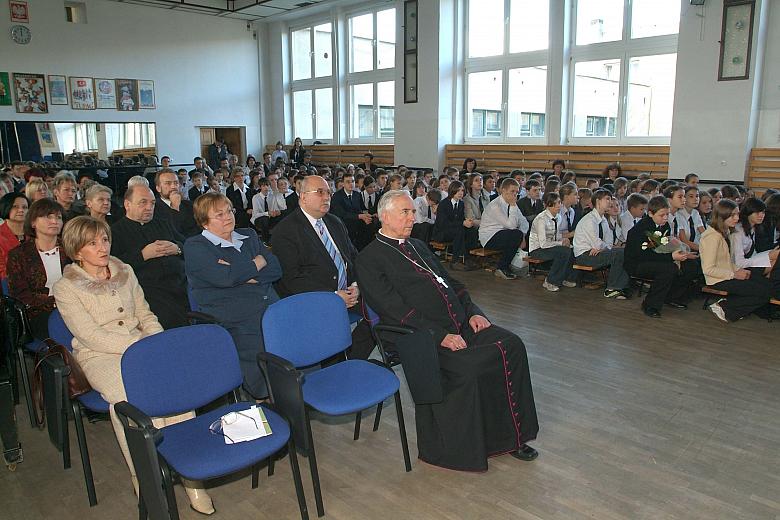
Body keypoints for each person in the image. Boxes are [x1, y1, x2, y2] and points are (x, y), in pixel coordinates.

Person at [355, 190, 539, 471]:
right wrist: (439, 335)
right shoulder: (369, 259)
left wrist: (475, 311)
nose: (412, 217)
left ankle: (512, 436)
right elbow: (396, 311)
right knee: (473, 366)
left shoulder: (417, 244)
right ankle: (476, 444)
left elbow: (452, 283)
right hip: (419, 337)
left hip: (461, 322)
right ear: (384, 216)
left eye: (412, 212)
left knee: (512, 345)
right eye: (405, 212)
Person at [52, 216, 214, 514]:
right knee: (127, 398)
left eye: (104, 239)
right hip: (99, 355)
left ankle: (191, 474)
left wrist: (156, 341)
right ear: (76, 251)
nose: (103, 247)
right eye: (92, 243)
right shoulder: (66, 287)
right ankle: (143, 474)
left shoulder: (124, 270)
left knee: (174, 383)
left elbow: (146, 313)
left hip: (141, 342)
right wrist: (140, 349)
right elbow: (89, 335)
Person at [184, 193, 281, 398]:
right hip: (235, 317)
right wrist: (257, 262)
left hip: (271, 307)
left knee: (300, 338)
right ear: (204, 222)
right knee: (267, 356)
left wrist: (241, 273)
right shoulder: (195, 246)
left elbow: (275, 269)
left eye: (229, 211)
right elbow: (225, 278)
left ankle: (297, 394)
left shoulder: (248, 235)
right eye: (219, 214)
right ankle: (269, 399)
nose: (227, 217)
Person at [270, 175, 375, 360]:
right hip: (315, 299)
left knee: (382, 307)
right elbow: (291, 279)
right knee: (332, 335)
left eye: (328, 192)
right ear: (303, 197)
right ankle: (334, 361)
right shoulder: (285, 231)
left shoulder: (334, 222)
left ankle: (354, 357)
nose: (327, 197)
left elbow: (353, 258)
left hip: (349, 293)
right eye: (320, 192)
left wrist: (357, 285)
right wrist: (333, 297)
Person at [111, 185, 189, 330]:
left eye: (152, 203)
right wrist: (143, 255)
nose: (149, 207)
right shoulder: (115, 232)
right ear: (127, 204)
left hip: (182, 283)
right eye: (143, 202)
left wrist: (177, 248)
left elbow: (188, 245)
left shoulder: (163, 223)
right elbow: (114, 266)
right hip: (149, 291)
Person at [624, 196, 700, 318]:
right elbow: (644, 254)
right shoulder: (641, 229)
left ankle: (671, 297)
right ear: (650, 214)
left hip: (656, 258)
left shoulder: (664, 226)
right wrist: (672, 257)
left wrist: (682, 253)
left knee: (691, 265)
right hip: (637, 263)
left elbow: (663, 245)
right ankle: (650, 305)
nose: (665, 218)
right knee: (668, 269)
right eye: (661, 215)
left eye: (667, 214)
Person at [700, 199, 773, 322]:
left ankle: (730, 306)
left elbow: (726, 261)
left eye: (737, 214)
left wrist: (739, 270)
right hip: (718, 279)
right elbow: (708, 269)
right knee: (763, 291)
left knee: (767, 285)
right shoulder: (712, 237)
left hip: (728, 274)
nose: (737, 218)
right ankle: (725, 307)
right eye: (733, 215)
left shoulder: (724, 232)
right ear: (723, 216)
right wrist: (734, 274)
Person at [7, 199, 69, 339]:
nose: (54, 221)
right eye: (48, 216)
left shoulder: (70, 250)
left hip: (72, 306)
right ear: (33, 222)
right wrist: (55, 302)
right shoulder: (18, 255)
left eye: (58, 217)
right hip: (38, 313)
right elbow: (20, 295)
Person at [573, 190, 631, 299]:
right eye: (607, 199)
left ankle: (622, 286)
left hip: (595, 252)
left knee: (623, 252)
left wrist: (603, 248)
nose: (610, 202)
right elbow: (597, 243)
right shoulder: (590, 220)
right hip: (584, 255)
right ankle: (611, 289)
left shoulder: (603, 219)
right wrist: (603, 248)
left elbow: (608, 242)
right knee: (618, 254)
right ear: (598, 201)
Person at [478, 178, 528, 280]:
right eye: (512, 191)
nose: (515, 195)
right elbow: (511, 226)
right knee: (515, 234)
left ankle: (519, 266)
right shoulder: (495, 205)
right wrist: (513, 205)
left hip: (503, 234)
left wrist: (523, 235)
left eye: (517, 192)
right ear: (504, 190)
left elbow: (524, 222)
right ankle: (502, 267)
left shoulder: (512, 203)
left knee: (522, 232)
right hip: (489, 238)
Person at [528, 192, 578, 291]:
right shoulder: (541, 219)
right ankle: (551, 281)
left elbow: (556, 235)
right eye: (555, 203)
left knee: (572, 249)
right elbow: (543, 244)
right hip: (537, 249)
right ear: (548, 205)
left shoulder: (558, 217)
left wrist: (564, 240)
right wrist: (560, 243)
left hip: (550, 246)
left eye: (559, 202)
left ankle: (567, 278)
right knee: (563, 252)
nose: (559, 206)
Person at [731, 197, 780, 295]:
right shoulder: (738, 232)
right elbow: (739, 262)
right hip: (739, 268)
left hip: (749, 263)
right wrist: (768, 256)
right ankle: (772, 288)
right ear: (748, 213)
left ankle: (771, 286)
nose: (761, 215)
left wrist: (769, 255)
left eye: (763, 212)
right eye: (757, 213)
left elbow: (754, 254)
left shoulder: (753, 228)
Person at [432, 180, 480, 271]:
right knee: (460, 231)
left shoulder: (461, 203)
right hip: (442, 232)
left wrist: (467, 222)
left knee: (471, 230)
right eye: (458, 191)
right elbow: (443, 223)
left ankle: (468, 258)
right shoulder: (444, 204)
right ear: (452, 191)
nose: (460, 193)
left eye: (462, 191)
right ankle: (455, 261)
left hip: (455, 230)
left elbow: (460, 219)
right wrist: (462, 223)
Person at [331, 172, 373, 250]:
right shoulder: (337, 196)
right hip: (344, 226)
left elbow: (361, 209)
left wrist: (366, 216)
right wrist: (360, 216)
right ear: (343, 184)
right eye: (348, 182)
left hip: (357, 225)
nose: (351, 184)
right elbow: (341, 214)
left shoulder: (357, 194)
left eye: (353, 181)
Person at [154, 169, 200, 238]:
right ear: (158, 188)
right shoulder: (154, 209)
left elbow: (199, 229)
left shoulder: (190, 205)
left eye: (176, 183)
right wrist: (175, 208)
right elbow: (170, 234)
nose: (173, 186)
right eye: (168, 183)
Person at [0, 193, 28, 279]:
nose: (21, 210)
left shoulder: (36, 233)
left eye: (25, 207)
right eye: (15, 206)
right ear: (6, 207)